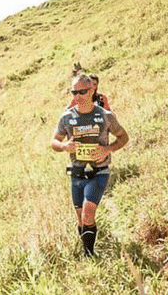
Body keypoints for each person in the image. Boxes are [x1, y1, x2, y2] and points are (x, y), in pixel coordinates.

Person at [51, 74, 129, 257]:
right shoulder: (66, 117)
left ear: (92, 90)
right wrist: (64, 146)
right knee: (80, 217)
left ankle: (89, 254)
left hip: (99, 172)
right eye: (74, 92)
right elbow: (54, 141)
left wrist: (108, 149)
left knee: (87, 212)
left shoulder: (105, 116)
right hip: (77, 173)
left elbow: (124, 137)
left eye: (82, 92)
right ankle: (86, 249)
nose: (77, 96)